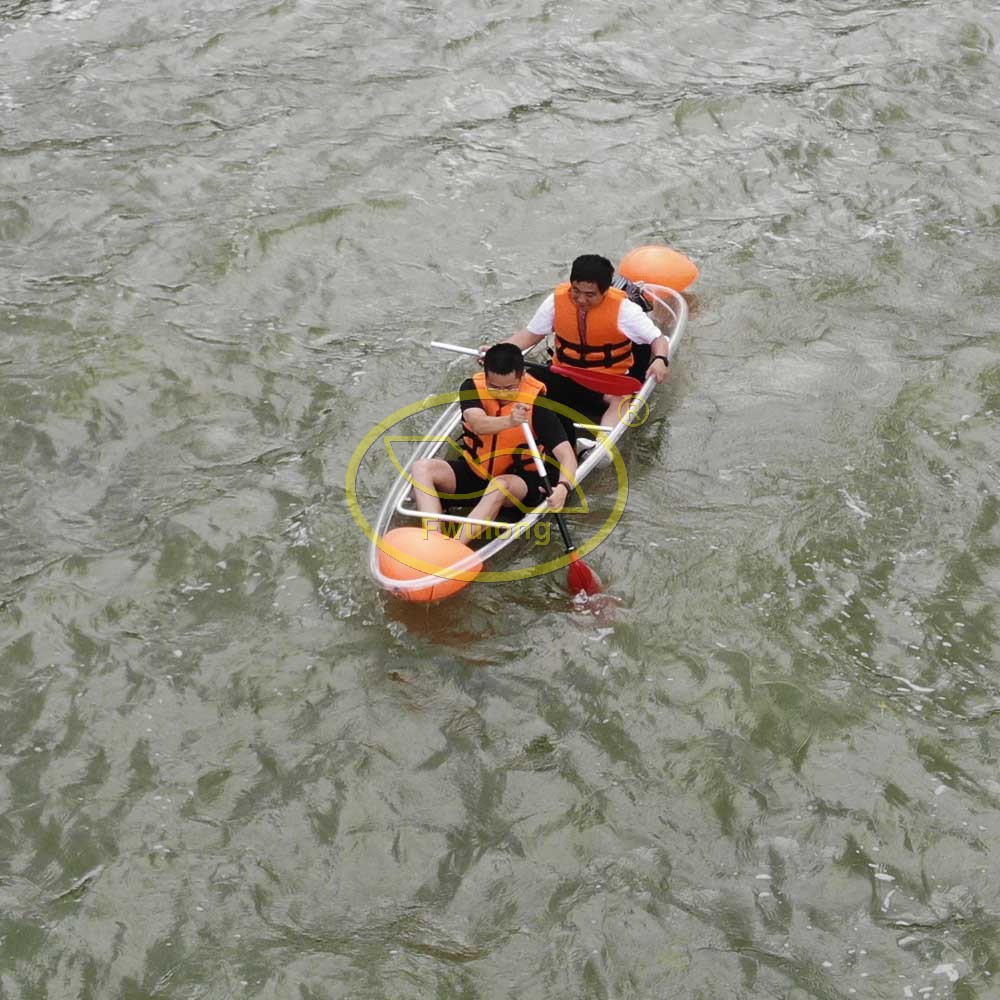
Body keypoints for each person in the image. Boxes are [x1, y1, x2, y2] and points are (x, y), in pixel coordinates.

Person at [411, 343, 579, 544]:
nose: (501, 393)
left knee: (499, 486)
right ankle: (432, 540)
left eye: (509, 388)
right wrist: (510, 421)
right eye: (494, 387)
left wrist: (563, 487)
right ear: (485, 376)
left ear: (522, 377)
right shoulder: (471, 387)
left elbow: (566, 455)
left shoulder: (538, 405)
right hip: (478, 471)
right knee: (422, 468)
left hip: (518, 482)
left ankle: (455, 548)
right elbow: (477, 423)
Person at [503, 254, 671, 432]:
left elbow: (657, 339)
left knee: (621, 399)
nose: (581, 299)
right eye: (576, 291)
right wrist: (499, 351)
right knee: (520, 382)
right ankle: (515, 431)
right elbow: (530, 335)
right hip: (564, 374)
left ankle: (599, 445)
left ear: (605, 291)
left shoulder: (626, 311)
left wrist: (660, 359)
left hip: (606, 382)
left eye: (590, 294)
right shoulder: (556, 302)